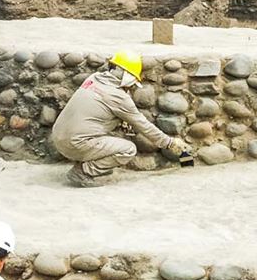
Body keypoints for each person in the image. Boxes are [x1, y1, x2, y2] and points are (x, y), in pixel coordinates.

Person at [50, 50, 187, 186]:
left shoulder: (93, 78)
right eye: (132, 80)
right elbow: (143, 125)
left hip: (57, 137)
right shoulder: (119, 97)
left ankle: (90, 162)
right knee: (128, 149)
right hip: (74, 144)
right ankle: (83, 172)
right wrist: (170, 143)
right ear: (127, 76)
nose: (132, 85)